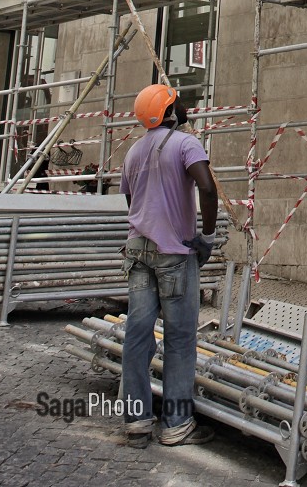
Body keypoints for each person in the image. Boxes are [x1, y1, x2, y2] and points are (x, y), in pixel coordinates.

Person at [120, 84, 218, 448]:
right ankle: (176, 423)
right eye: (179, 101)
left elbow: (132, 200)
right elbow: (207, 189)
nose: (186, 103)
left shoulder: (133, 151)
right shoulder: (185, 143)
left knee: (137, 335)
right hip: (174, 255)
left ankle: (136, 421)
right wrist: (206, 237)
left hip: (138, 252)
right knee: (179, 339)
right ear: (169, 111)